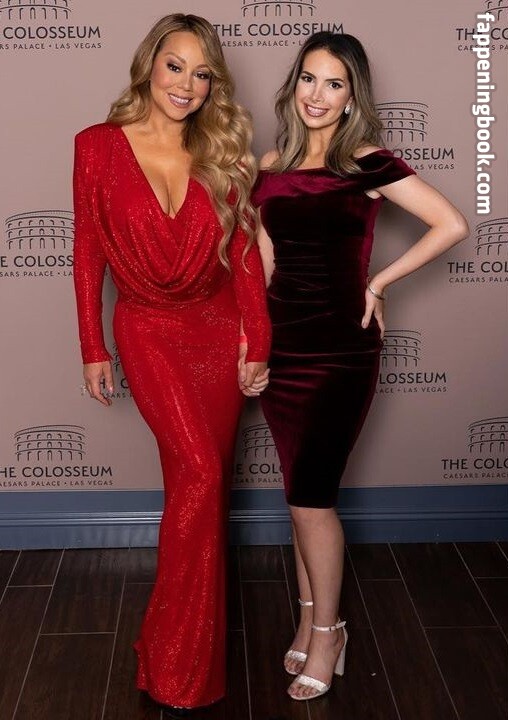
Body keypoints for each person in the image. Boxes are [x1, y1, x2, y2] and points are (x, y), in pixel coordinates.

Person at [252, 31, 469, 702]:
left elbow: (451, 223)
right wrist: (252, 342)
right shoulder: (269, 164)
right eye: (308, 78)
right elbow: (263, 262)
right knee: (298, 497)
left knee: (312, 500)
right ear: (294, 84)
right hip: (282, 347)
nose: (317, 95)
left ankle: (330, 634)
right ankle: (308, 617)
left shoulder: (366, 162)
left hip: (340, 352)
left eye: (334, 84)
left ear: (351, 98)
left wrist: (379, 283)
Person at [72, 14, 271, 716]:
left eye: (202, 72)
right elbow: (87, 250)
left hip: (217, 332)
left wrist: (258, 340)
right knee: (202, 475)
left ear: (214, 84)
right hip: (148, 330)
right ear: (149, 66)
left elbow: (244, 257)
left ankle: (174, 653)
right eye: (175, 66)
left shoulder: (225, 153)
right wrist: (92, 346)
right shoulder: (97, 145)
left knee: (203, 492)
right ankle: (177, 663)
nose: (186, 84)